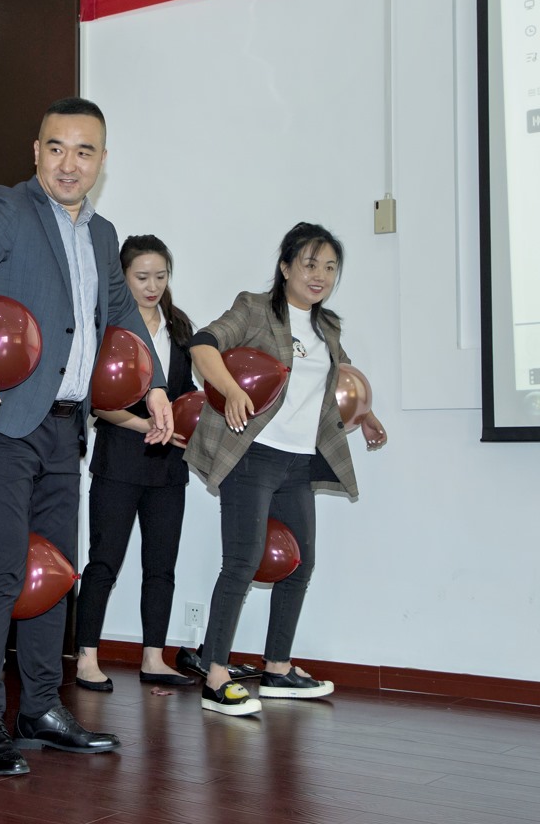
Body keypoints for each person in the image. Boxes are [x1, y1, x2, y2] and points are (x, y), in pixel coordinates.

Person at [0, 97, 174, 777]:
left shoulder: (102, 235)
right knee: (1, 568)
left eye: (84, 151)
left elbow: (121, 311)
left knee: (57, 570)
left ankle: (41, 707)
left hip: (66, 427)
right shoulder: (9, 208)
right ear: (36, 151)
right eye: (55, 148)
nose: (68, 164)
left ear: (102, 161)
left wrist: (156, 384)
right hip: (2, 420)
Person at [184, 222, 388, 717]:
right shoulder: (255, 309)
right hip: (252, 455)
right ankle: (215, 675)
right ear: (285, 267)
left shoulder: (327, 328)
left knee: (300, 563)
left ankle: (277, 668)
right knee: (242, 562)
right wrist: (232, 389)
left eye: (330, 267)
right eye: (310, 264)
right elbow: (203, 344)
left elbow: (339, 383)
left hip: (298, 461)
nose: (320, 276)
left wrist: (365, 417)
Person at [75, 235, 196, 691]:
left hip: (168, 465)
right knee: (103, 562)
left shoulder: (179, 328)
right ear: (121, 278)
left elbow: (185, 394)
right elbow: (96, 400)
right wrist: (143, 424)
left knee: (161, 566)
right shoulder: (108, 329)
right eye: (142, 277)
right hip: (119, 461)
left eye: (160, 277)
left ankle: (154, 658)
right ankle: (86, 657)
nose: (152, 286)